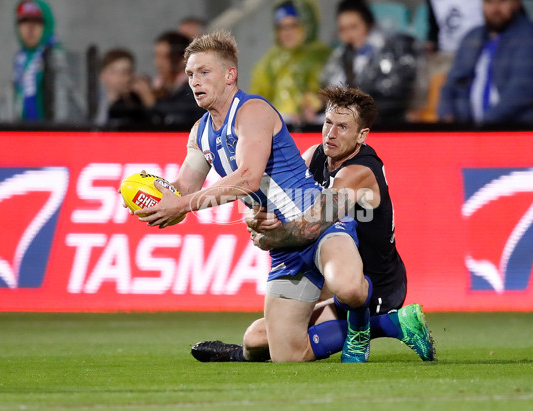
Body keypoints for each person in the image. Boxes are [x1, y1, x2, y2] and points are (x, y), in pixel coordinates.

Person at [135, 31, 375, 363]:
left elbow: (247, 178)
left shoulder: (253, 111)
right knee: (283, 354)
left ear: (230, 74)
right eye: (190, 74)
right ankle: (354, 322)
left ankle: (379, 323)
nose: (194, 81)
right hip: (283, 245)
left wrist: (180, 204)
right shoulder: (200, 133)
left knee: (348, 286)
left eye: (204, 72)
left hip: (318, 226)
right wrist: (152, 196)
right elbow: (183, 192)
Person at [191, 85, 436, 363]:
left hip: (374, 285)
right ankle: (240, 354)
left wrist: (271, 240)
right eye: (328, 123)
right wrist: (258, 217)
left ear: (362, 135)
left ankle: (391, 323)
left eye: (343, 127)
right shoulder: (313, 157)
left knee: (344, 289)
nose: (331, 133)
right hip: (328, 278)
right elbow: (279, 201)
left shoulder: (359, 172)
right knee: (256, 339)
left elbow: (310, 227)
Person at [437, 0, 533, 125]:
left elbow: (521, 92)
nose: (495, 9)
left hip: (513, 130)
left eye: (502, 2)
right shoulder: (472, 36)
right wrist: (447, 115)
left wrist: (483, 125)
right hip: (467, 130)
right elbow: (451, 84)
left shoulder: (531, 37)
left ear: (516, 3)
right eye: (489, 2)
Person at [320, 0, 417, 128]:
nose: (349, 35)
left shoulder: (389, 53)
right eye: (343, 29)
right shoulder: (339, 57)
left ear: (369, 26)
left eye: (354, 27)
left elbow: (391, 98)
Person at [0, 0, 84, 123]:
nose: (30, 28)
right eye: (24, 22)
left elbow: (77, 106)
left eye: (37, 22)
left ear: (48, 25)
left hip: (53, 135)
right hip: (24, 135)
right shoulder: (20, 61)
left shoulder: (62, 58)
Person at [250, 0, 331, 127]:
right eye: (281, 27)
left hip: (314, 128)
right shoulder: (269, 62)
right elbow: (256, 101)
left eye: (293, 25)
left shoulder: (323, 57)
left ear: (306, 25)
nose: (287, 32)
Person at [132, 31, 204, 127]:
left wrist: (152, 103)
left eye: (164, 57)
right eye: (156, 56)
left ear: (181, 60)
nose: (158, 63)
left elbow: (177, 121)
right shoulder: (161, 88)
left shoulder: (193, 88)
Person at [94, 48, 147, 126]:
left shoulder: (138, 106)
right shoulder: (93, 105)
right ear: (102, 75)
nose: (121, 78)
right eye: (114, 72)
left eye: (127, 72)